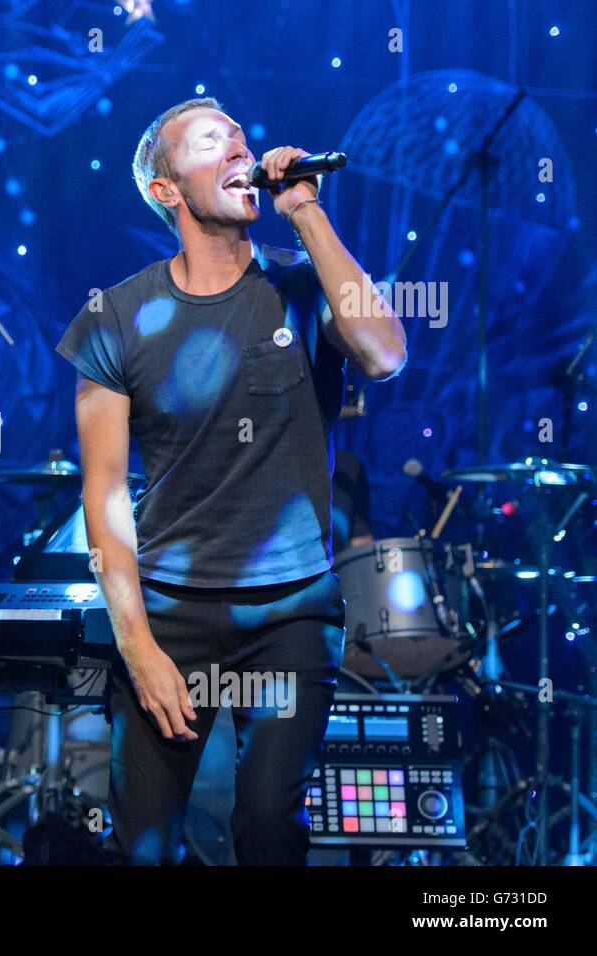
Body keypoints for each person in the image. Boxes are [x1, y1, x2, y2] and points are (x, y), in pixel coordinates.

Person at [57, 97, 406, 864]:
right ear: (165, 187)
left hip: (291, 610)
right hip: (169, 612)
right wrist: (138, 647)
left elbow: (383, 355)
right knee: (142, 846)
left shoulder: (303, 287)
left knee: (268, 829)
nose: (237, 150)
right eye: (212, 142)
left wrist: (305, 211)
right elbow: (105, 498)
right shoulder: (117, 318)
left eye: (241, 138)